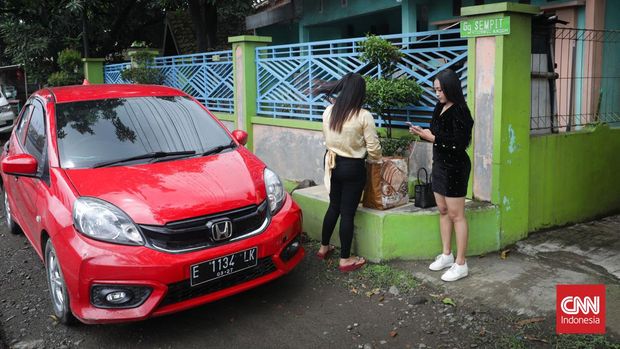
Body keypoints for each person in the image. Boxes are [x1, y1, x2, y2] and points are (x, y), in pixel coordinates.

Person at [409, 69, 474, 282]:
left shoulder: (461, 111)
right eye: (435, 90)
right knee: (443, 211)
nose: (437, 93)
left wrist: (433, 138)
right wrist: (422, 133)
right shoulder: (439, 107)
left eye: (440, 89)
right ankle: (447, 255)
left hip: (455, 167)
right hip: (439, 165)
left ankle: (461, 263)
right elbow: (434, 134)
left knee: (457, 215)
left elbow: (460, 143)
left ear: (450, 88)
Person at [315, 73, 382, 272]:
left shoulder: (329, 111)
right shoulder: (363, 115)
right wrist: (376, 160)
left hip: (332, 164)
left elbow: (327, 137)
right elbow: (374, 148)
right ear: (360, 93)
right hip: (353, 168)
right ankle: (345, 259)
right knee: (347, 214)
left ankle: (323, 247)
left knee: (334, 207)